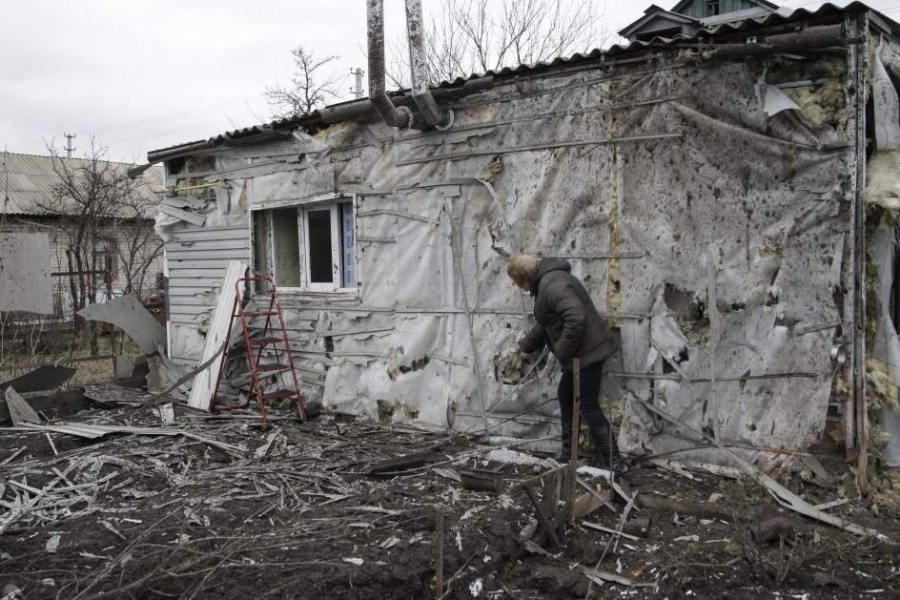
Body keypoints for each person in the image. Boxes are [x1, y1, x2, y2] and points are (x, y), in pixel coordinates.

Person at [507, 254, 626, 475]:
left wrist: (561, 350)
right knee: (566, 395)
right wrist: (527, 346)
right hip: (582, 353)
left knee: (588, 404)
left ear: (524, 277)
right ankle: (568, 454)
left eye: (517, 283)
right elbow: (546, 323)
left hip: (588, 352)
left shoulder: (552, 286)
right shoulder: (549, 282)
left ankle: (615, 462)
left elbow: (576, 318)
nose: (520, 288)